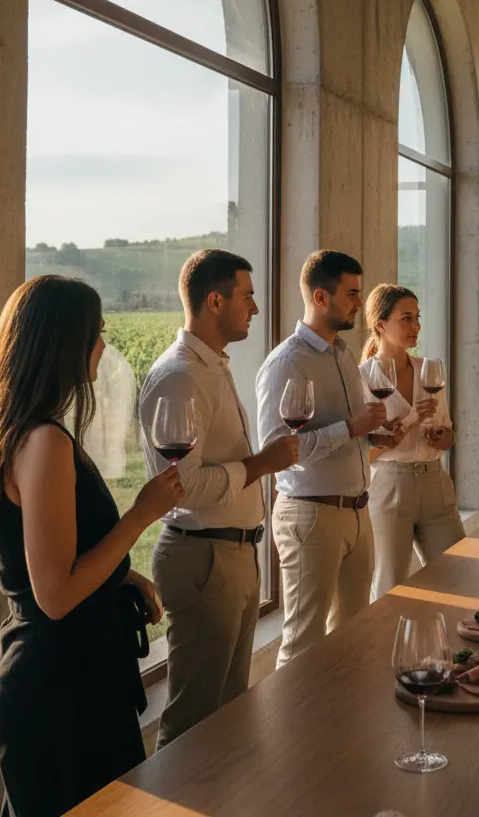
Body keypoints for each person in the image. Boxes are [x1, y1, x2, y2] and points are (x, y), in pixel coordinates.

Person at [0, 275, 185, 817]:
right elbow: (54, 595)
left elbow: (55, 557)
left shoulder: (21, 431)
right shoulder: (45, 442)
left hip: (65, 675)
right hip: (62, 689)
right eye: (96, 333)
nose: (104, 345)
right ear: (65, 344)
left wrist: (125, 574)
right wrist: (143, 513)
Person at [140, 249, 298, 749]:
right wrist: (262, 464)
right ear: (215, 300)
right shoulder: (181, 378)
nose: (254, 308)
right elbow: (179, 485)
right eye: (247, 296)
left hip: (233, 554)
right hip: (205, 556)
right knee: (193, 722)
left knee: (228, 714)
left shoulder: (211, 367)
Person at [256, 250, 394, 667]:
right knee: (303, 644)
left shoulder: (343, 354)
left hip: (357, 510)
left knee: (354, 637)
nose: (359, 302)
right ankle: (294, 733)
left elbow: (350, 433)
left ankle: (340, 731)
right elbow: (277, 450)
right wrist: (350, 428)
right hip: (311, 516)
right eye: (352, 294)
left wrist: (376, 435)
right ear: (320, 297)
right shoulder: (287, 362)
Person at [359, 284, 465, 600]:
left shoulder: (429, 370)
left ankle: (451, 649)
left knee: (459, 576)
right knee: (390, 586)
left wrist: (442, 435)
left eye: (417, 317)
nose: (416, 326)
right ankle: (389, 649)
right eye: (406, 318)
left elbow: (447, 436)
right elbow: (365, 454)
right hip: (390, 488)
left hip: (435, 483)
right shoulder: (362, 378)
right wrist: (409, 423)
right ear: (380, 323)